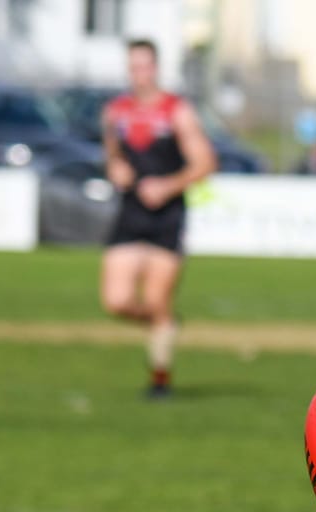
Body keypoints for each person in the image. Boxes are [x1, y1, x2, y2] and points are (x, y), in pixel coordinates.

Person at [100, 38, 215, 399]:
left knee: (157, 300)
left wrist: (168, 186)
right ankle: (165, 326)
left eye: (145, 67)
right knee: (116, 300)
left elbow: (205, 163)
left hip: (167, 218)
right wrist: (115, 169)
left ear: (156, 68)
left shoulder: (176, 111)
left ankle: (160, 378)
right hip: (130, 214)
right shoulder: (115, 112)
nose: (140, 75)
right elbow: (113, 155)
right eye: (134, 67)